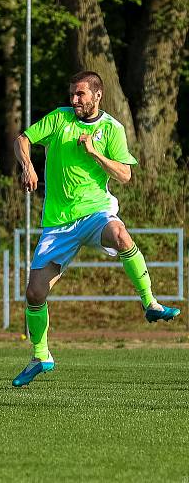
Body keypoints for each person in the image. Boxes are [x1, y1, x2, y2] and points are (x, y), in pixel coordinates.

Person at [11, 71, 181, 387]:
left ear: (97, 95)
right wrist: (28, 166)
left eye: (80, 95)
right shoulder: (59, 119)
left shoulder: (112, 129)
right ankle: (41, 355)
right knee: (35, 293)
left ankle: (150, 304)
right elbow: (22, 139)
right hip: (59, 223)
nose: (74, 100)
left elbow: (126, 175)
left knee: (120, 235)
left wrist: (94, 153)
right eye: (72, 95)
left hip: (95, 213)